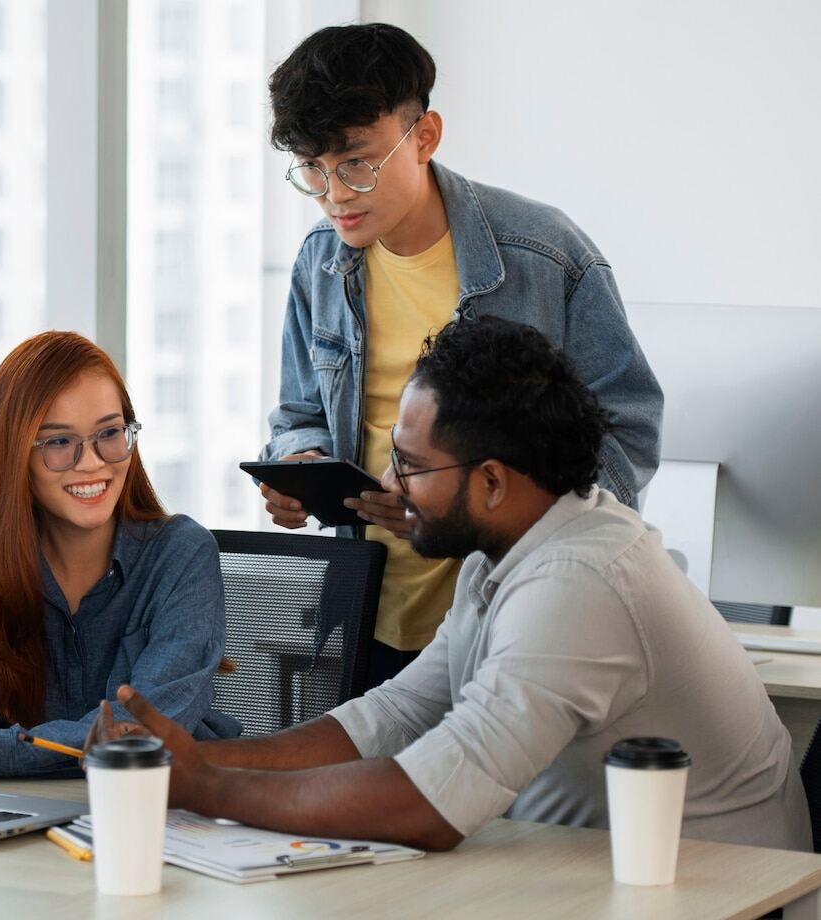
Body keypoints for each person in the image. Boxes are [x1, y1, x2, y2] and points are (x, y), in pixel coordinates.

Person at [114, 317, 808, 853]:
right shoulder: (502, 554)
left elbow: (431, 803)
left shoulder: (579, 581)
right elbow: (394, 716)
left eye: (411, 466)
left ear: (493, 481)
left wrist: (209, 788)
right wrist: (191, 760)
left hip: (716, 896)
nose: (390, 486)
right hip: (586, 876)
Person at [259, 23, 664, 686]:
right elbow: (301, 408)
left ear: (424, 136)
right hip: (369, 615)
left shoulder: (546, 257)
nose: (335, 193)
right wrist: (300, 463)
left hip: (516, 615)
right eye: (313, 168)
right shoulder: (320, 262)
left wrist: (464, 506)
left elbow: (628, 431)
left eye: (356, 162)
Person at [0, 331, 240, 777]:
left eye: (109, 433)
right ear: (15, 454)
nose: (92, 463)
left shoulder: (183, 554)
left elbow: (134, 738)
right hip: (22, 809)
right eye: (60, 442)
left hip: (162, 809)